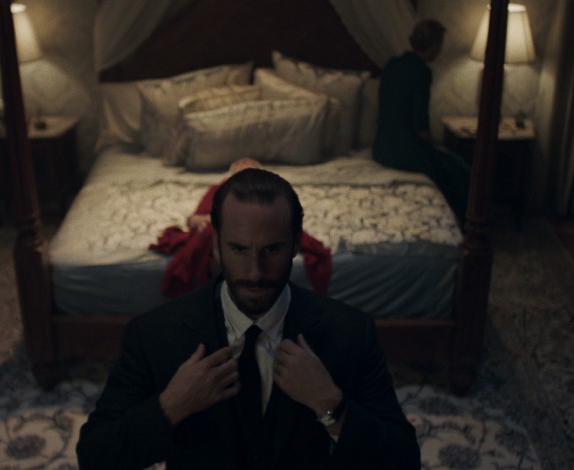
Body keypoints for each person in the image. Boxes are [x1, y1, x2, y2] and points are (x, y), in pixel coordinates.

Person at [77, 168, 420, 469]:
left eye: (272, 249)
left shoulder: (351, 332)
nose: (255, 272)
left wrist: (329, 405)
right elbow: (95, 456)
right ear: (215, 245)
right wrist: (170, 407)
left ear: (296, 244)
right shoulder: (154, 333)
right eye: (239, 249)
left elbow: (404, 460)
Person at [149, 158, 331, 298]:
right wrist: (198, 220)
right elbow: (196, 216)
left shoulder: (272, 193)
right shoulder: (219, 190)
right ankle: (217, 289)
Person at [373, 19, 471, 226]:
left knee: (449, 165)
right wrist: (437, 146)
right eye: (440, 45)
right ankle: (465, 222)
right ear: (434, 46)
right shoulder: (422, 72)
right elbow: (420, 125)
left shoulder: (392, 64)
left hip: (381, 148)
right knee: (458, 169)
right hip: (405, 150)